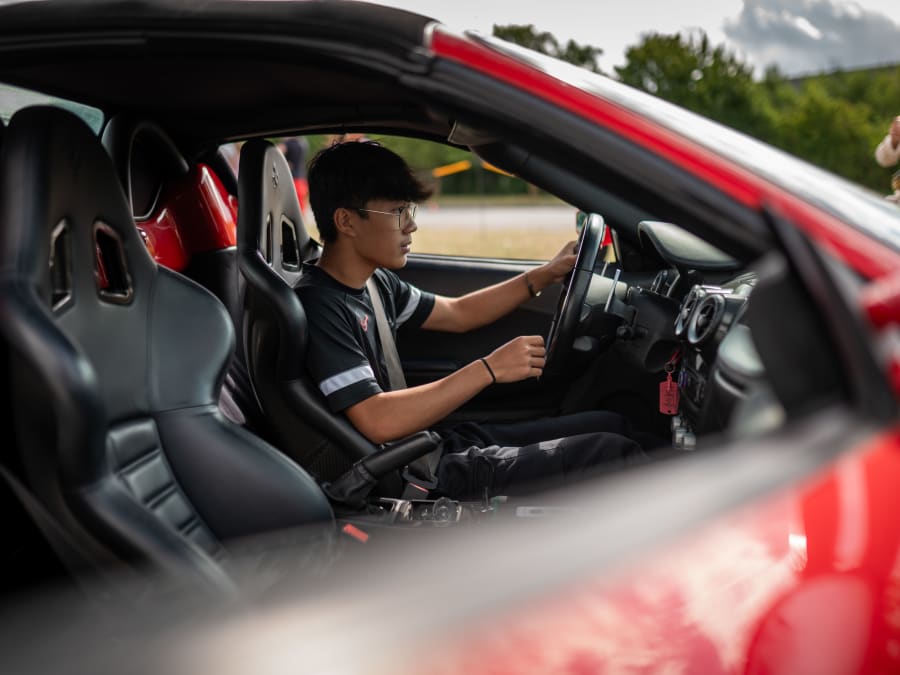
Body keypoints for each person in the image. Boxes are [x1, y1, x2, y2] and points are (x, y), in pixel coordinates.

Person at [296, 141, 651, 500]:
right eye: (399, 212)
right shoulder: (322, 305)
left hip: (426, 447)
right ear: (346, 221)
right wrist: (489, 369)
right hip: (415, 476)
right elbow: (377, 420)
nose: (412, 226)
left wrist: (543, 275)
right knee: (613, 454)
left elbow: (458, 313)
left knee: (613, 424)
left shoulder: (375, 282)